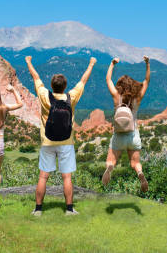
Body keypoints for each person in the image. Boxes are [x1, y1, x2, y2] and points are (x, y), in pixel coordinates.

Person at [25, 55, 96, 216]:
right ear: (65, 87)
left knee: (43, 177)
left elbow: (35, 77)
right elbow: (83, 81)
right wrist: (91, 64)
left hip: (47, 142)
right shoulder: (71, 97)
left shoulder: (44, 95)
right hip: (66, 142)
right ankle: (69, 209)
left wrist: (29, 62)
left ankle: (38, 210)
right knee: (67, 177)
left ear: (51, 86)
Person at [102, 56, 150, 192]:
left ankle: (110, 168)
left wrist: (112, 64)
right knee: (135, 163)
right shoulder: (137, 97)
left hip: (118, 135)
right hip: (133, 135)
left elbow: (108, 80)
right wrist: (147, 64)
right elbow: (146, 80)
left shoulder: (116, 96)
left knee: (111, 161)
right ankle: (140, 173)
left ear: (120, 85)